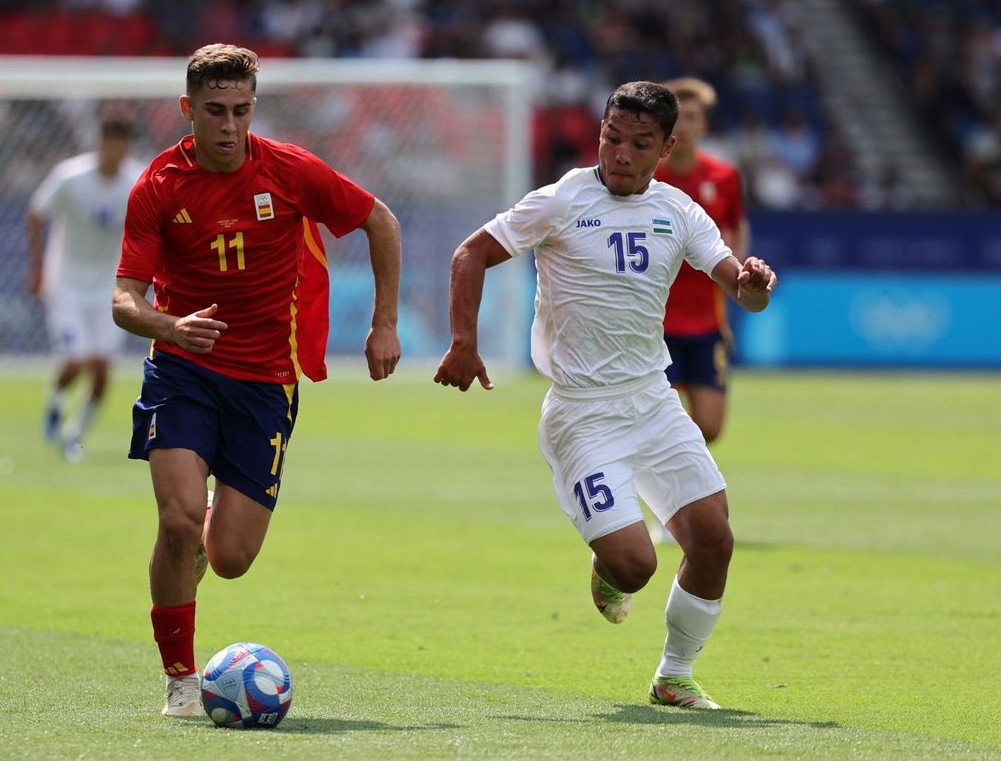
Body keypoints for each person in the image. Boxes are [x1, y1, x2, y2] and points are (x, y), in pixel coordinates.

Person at [433, 81, 776, 710]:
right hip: (582, 413)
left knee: (714, 539)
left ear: (666, 147)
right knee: (634, 567)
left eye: (639, 144)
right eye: (611, 138)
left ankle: (675, 675)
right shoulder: (563, 199)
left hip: (652, 398)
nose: (619, 154)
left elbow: (740, 288)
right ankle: (609, 566)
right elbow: (471, 252)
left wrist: (754, 283)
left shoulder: (679, 211)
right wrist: (463, 342)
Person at [112, 44, 403, 717]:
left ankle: (207, 543)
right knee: (178, 520)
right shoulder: (158, 186)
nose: (229, 126)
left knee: (232, 556)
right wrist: (167, 327)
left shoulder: (291, 171)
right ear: (188, 110)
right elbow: (123, 299)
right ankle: (181, 678)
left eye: (242, 111)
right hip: (182, 371)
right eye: (214, 111)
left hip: (265, 381)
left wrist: (383, 324)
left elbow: (379, 222)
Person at [26, 112, 143, 462]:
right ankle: (56, 401)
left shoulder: (137, 181)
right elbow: (36, 212)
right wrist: (37, 269)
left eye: (121, 147)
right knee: (77, 361)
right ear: (100, 144)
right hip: (67, 284)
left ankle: (75, 434)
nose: (114, 154)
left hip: (111, 287)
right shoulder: (70, 177)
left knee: (103, 368)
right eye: (109, 146)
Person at [656, 78, 749, 445]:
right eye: (677, 117)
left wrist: (733, 268)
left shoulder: (723, 178)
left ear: (703, 124)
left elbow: (736, 230)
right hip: (654, 323)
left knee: (709, 427)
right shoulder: (647, 177)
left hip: (707, 322)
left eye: (692, 117)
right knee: (653, 420)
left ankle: (669, 464)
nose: (684, 125)